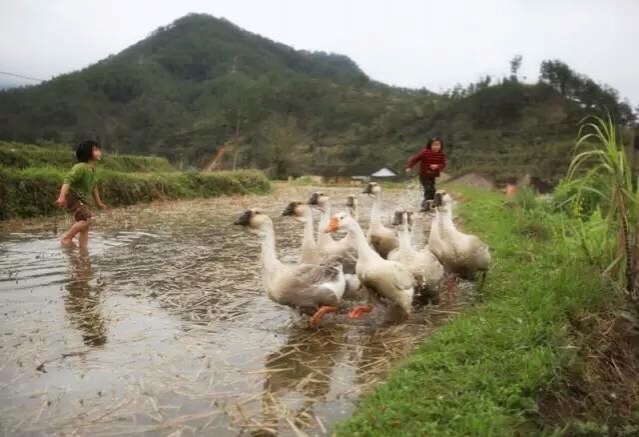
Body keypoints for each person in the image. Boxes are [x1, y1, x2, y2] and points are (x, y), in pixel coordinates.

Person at [55, 140, 107, 249]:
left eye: (98, 149)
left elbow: (93, 187)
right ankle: (66, 238)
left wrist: (99, 203)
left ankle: (83, 250)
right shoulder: (80, 167)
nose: (99, 152)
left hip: (81, 200)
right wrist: (61, 197)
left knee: (84, 227)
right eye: (96, 150)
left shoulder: (92, 169)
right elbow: (67, 180)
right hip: (74, 197)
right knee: (87, 220)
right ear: (88, 153)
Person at [406, 136, 447, 211]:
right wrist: (409, 167)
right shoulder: (424, 152)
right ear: (430, 145)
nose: (436, 147)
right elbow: (415, 159)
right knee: (428, 189)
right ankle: (425, 206)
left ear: (441, 146)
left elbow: (443, 164)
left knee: (433, 190)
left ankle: (429, 204)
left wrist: (437, 166)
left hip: (433, 175)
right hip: (424, 175)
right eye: (434, 145)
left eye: (438, 145)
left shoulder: (441, 155)